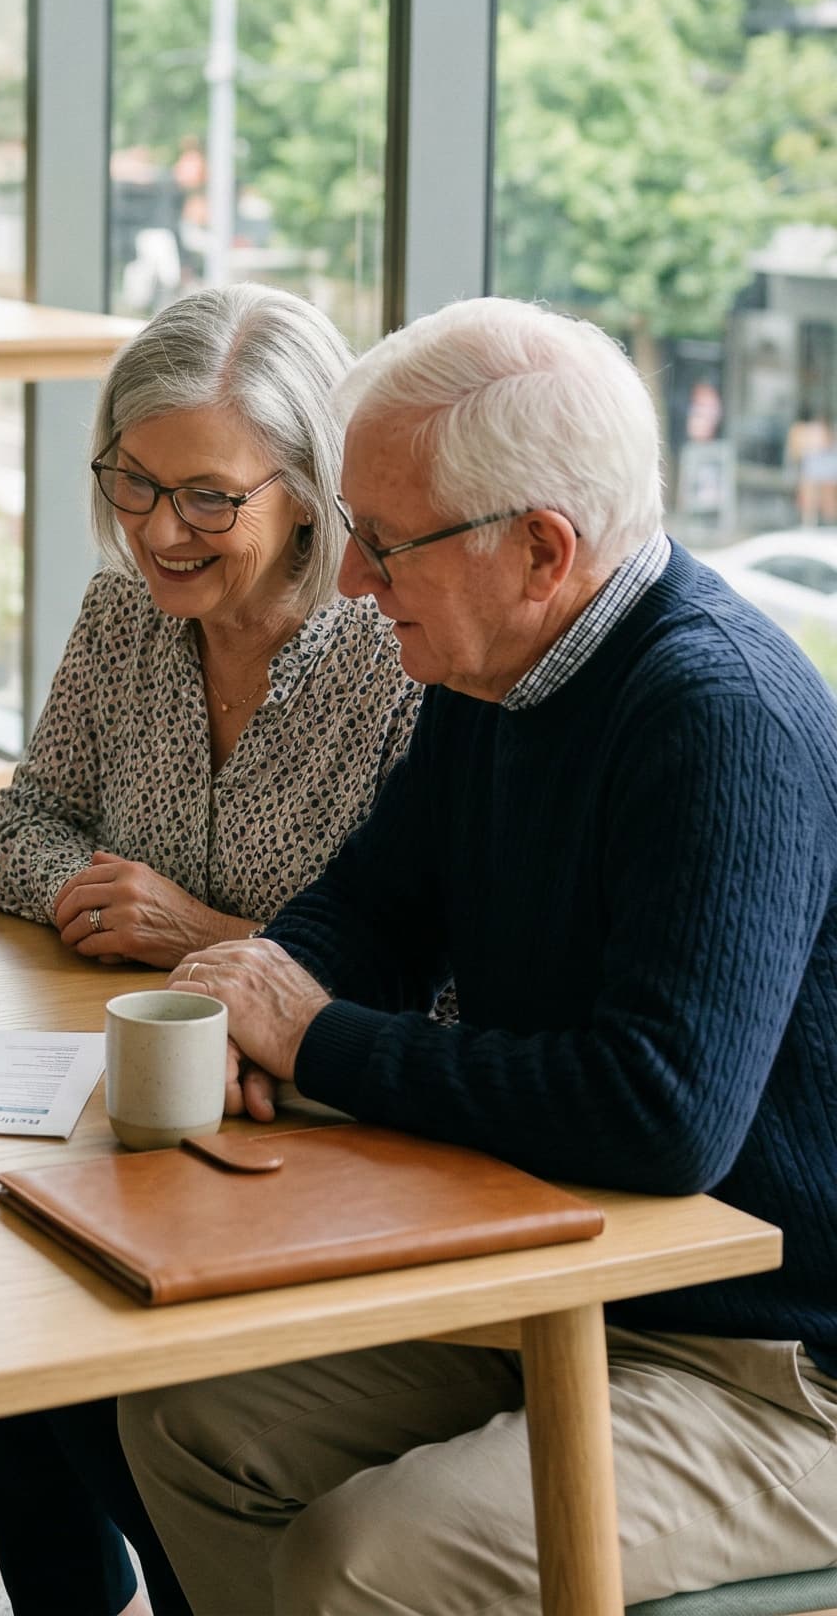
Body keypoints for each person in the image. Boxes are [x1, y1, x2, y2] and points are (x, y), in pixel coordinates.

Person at [120, 298, 837, 1616]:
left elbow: (662, 1116)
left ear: (543, 550)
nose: (348, 582)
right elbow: (380, 907)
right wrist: (248, 999)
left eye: (383, 545)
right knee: (186, 1425)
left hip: (777, 1364)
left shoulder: (719, 719)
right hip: (582, 1283)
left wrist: (318, 1037)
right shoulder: (493, 670)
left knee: (363, 1563)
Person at [0, 284, 421, 1616]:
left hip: (308, 1130)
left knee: (106, 1371)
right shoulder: (118, 623)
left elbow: (419, 971)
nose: (160, 529)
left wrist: (208, 940)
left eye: (208, 496)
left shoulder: (398, 664)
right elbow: (23, 823)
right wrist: (102, 897)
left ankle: (167, 1580)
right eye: (133, 482)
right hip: (122, 1100)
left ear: (310, 491)